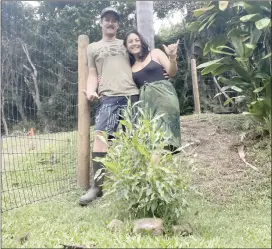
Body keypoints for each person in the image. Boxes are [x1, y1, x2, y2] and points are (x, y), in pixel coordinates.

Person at [79, 7, 140, 205]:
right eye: (107, 19)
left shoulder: (126, 44)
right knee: (100, 137)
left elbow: (141, 61)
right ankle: (97, 187)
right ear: (101, 23)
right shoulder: (93, 48)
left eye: (114, 20)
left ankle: (140, 181)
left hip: (132, 94)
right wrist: (90, 90)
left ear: (118, 25)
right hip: (108, 97)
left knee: (137, 138)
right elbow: (92, 74)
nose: (110, 23)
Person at [123, 30, 181, 152]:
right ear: (126, 46)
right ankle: (160, 168)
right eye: (130, 41)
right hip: (145, 105)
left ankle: (153, 169)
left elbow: (171, 72)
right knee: (152, 139)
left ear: (142, 42)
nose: (134, 43)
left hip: (164, 97)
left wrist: (172, 57)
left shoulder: (155, 53)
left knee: (164, 137)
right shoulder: (129, 66)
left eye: (137, 40)